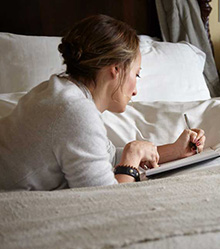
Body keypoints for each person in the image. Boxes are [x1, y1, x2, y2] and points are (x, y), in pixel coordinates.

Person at [0, 15, 205, 190]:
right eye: (136, 75)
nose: (135, 90)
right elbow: (105, 199)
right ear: (115, 69)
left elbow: (102, 159)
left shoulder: (59, 92)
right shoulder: (75, 111)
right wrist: (131, 158)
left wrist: (176, 150)